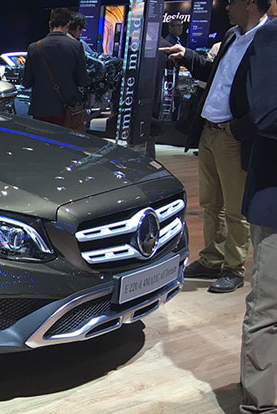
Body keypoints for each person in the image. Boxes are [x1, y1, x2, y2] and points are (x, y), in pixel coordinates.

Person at [161, 0, 271, 294]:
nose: (227, 7)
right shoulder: (232, 35)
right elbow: (215, 74)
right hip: (209, 131)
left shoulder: (268, 40)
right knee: (211, 203)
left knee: (235, 208)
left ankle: (233, 267)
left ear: (250, 3)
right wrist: (187, 56)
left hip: (232, 137)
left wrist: (239, 129)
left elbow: (269, 99)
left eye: (232, 1)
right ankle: (212, 259)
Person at [238, 16, 277, 414]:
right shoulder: (272, 36)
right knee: (269, 308)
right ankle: (260, 405)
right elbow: (265, 115)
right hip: (274, 199)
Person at [22, 8, 89, 127]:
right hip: (66, 110)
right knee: (65, 139)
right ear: (68, 24)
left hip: (40, 110)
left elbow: (26, 82)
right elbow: (83, 81)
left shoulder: (34, 47)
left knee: (41, 138)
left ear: (50, 24)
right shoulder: (76, 46)